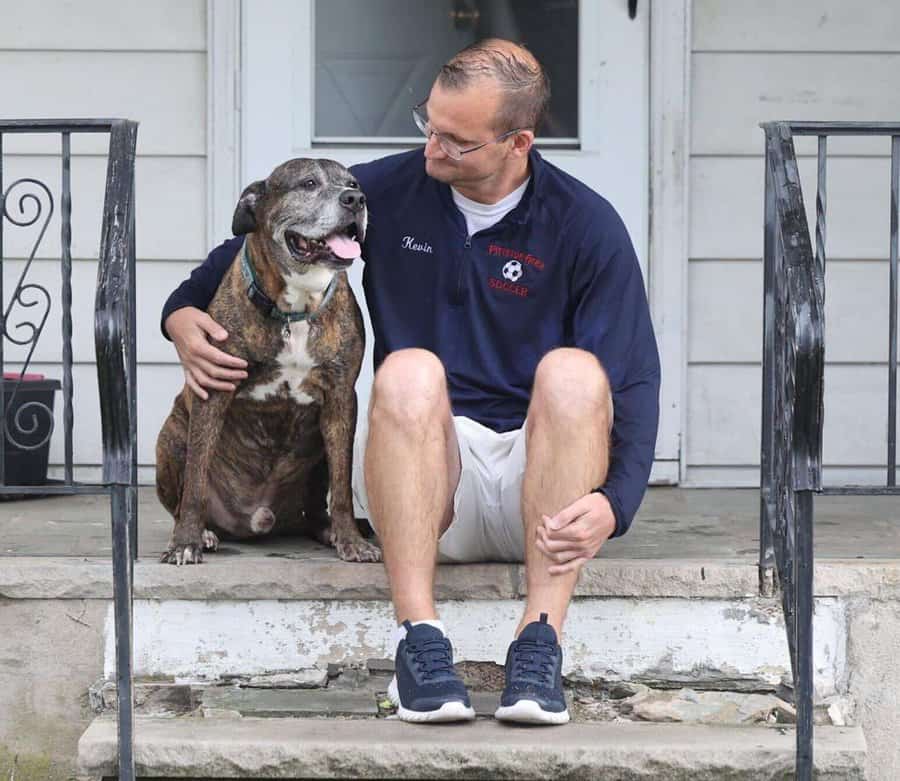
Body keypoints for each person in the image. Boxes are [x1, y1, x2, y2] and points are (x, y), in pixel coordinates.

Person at [161, 39, 660, 726]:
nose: (433, 148)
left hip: (542, 491)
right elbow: (257, 236)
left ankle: (538, 644)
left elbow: (633, 377)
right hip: (425, 483)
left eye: (457, 141)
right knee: (407, 370)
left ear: (518, 143)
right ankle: (420, 642)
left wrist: (616, 502)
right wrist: (181, 313)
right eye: (430, 122)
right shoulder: (391, 192)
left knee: (574, 373)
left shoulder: (584, 223)